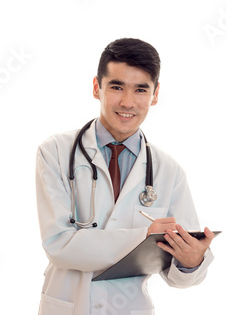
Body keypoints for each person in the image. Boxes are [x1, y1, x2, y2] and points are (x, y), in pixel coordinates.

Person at [36, 38, 215, 315]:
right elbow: (59, 245)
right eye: (117, 86)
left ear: (155, 95)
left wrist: (190, 262)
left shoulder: (169, 171)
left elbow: (178, 275)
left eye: (141, 89)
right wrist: (144, 236)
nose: (128, 102)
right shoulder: (56, 152)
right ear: (97, 88)